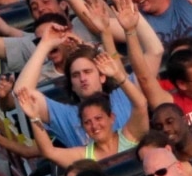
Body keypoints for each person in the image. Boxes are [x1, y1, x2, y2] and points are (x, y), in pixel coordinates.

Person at [16, 51, 149, 166]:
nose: (94, 125)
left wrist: (118, 75)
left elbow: (141, 105)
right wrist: (46, 43)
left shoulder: (129, 134)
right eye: (87, 122)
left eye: (98, 118)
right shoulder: (84, 154)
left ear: (111, 118)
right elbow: (49, 152)